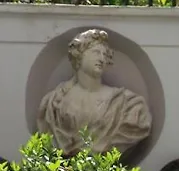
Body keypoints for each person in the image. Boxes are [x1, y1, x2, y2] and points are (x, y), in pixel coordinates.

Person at [37, 28, 152, 157]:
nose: (102, 58)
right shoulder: (54, 104)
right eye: (96, 52)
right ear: (79, 56)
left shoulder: (127, 104)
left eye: (105, 54)